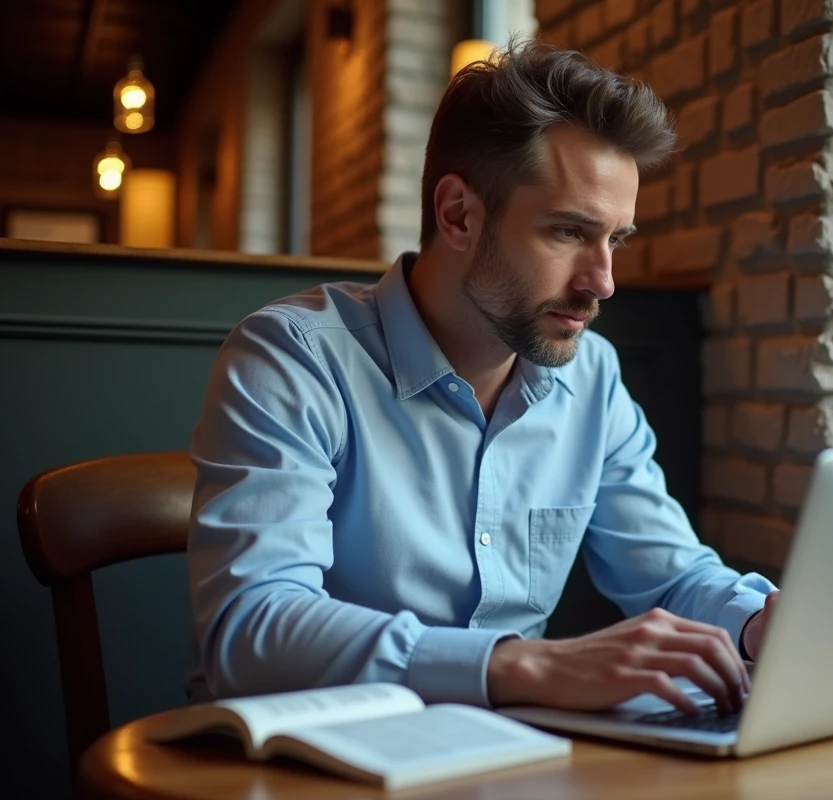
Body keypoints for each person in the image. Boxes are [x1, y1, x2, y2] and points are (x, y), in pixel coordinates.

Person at [185, 39, 779, 719]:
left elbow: (672, 573)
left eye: (615, 239)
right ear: (459, 215)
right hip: (300, 764)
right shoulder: (292, 358)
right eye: (567, 233)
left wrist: (761, 622)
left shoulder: (592, 378)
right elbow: (250, 632)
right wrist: (523, 664)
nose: (603, 282)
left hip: (501, 761)